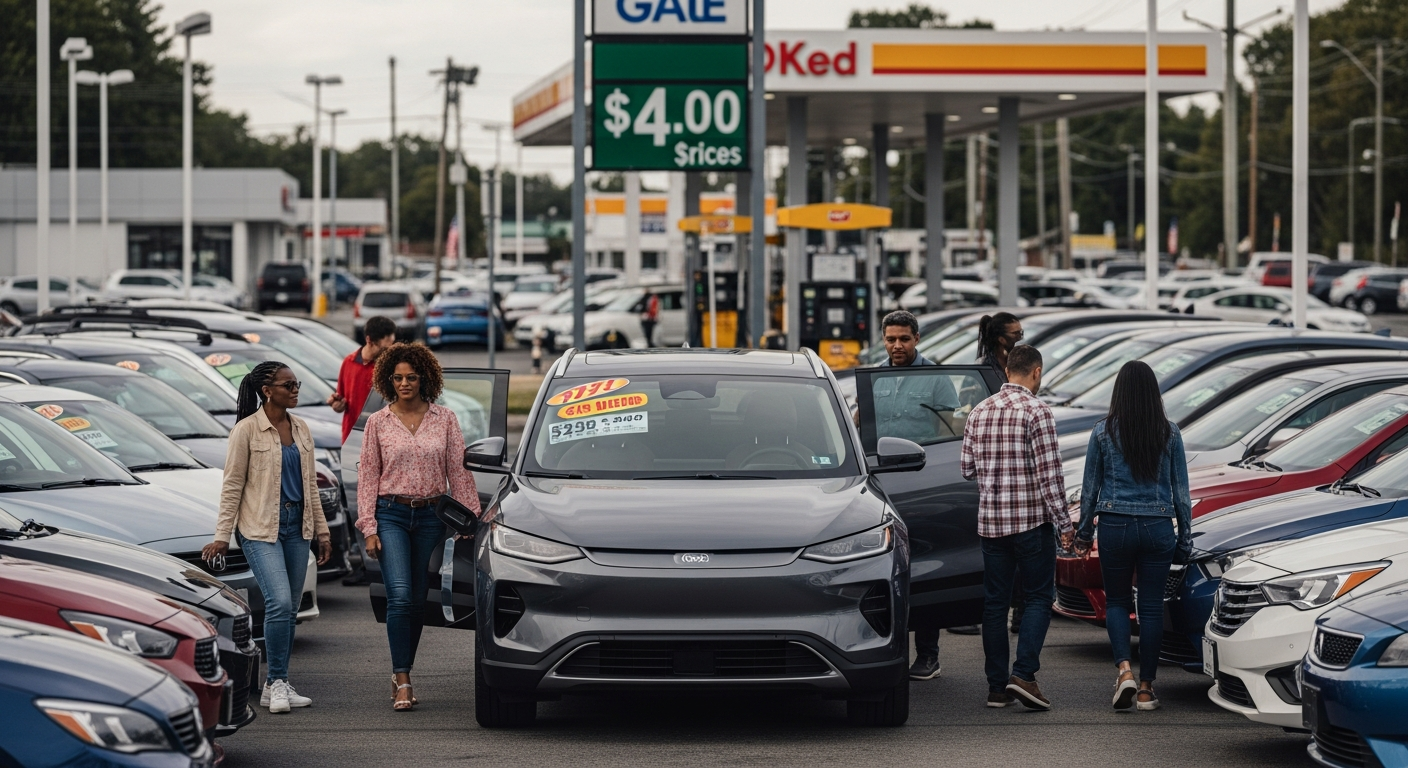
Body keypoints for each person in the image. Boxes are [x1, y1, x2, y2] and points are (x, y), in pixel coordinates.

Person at [356, 343, 481, 711]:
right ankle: (404, 678)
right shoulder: (378, 422)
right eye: (397, 378)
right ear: (388, 381)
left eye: (411, 377)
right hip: (390, 514)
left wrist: (469, 518)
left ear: (424, 378)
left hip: (431, 517)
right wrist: (369, 527)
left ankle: (401, 672)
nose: (404, 384)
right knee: (398, 595)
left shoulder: (445, 418)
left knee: (416, 599)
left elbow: (458, 471)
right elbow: (368, 476)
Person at [204, 362, 331, 714]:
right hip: (260, 528)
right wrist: (222, 535)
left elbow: (310, 486)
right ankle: (274, 682)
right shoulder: (246, 430)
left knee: (289, 610)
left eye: (296, 383)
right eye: (288, 385)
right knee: (279, 602)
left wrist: (322, 531)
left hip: (297, 527)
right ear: (267, 391)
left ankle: (279, 682)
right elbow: (232, 485)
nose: (295, 390)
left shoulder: (301, 428)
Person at [1074, 361, 1193, 712]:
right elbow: (1182, 494)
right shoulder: (1170, 433)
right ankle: (1145, 689)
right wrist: (1185, 540)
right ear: (1154, 393)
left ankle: (1124, 670)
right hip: (1157, 528)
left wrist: (1084, 533)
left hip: (1115, 526)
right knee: (1151, 607)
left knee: (1117, 602)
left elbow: (1089, 490)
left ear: (1120, 392)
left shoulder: (1102, 432)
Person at [960, 344, 1073, 710]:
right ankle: (1023, 674)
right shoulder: (1038, 411)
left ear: (1008, 370)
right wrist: (1065, 523)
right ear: (1036, 372)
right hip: (1031, 523)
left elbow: (966, 469)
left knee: (995, 604)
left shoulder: (980, 411)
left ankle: (997, 688)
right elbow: (1050, 476)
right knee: (1038, 597)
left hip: (992, 524)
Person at [868, 311, 958, 680]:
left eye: (904, 339)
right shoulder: (875, 376)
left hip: (922, 484)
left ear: (917, 339)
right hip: (881, 485)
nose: (897, 346)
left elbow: (949, 432)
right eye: (890, 339)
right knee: (886, 568)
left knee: (924, 567)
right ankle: (886, 651)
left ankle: (928, 654)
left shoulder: (935, 378)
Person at [329, 315, 398, 443]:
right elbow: (341, 398)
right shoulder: (349, 363)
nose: (389, 351)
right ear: (369, 340)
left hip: (382, 439)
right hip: (353, 438)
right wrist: (337, 405)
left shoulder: (392, 367)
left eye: (392, 344)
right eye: (384, 348)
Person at [975, 312, 1024, 384]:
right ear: (1001, 339)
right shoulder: (984, 366)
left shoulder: (1019, 362)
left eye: (1020, 332)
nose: (1019, 337)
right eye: (1015, 333)